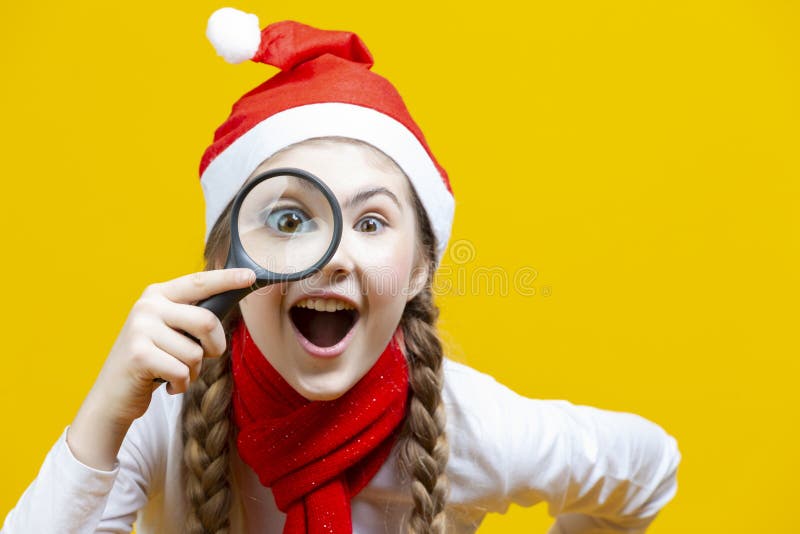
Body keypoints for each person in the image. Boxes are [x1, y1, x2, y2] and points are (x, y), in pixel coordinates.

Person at [0, 8, 680, 534]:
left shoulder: (471, 424)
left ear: (419, 270)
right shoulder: (163, 416)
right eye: (290, 220)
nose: (334, 257)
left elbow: (649, 469)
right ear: (227, 259)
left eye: (373, 222)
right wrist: (102, 420)